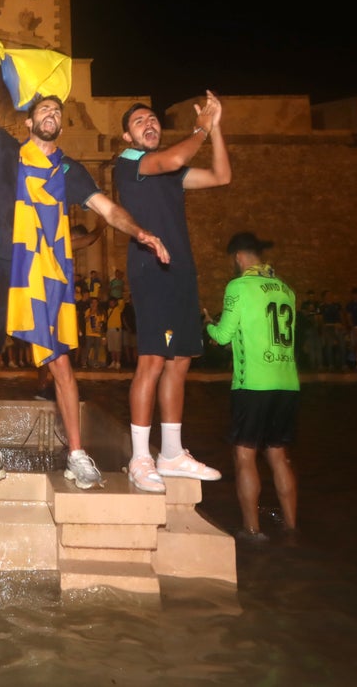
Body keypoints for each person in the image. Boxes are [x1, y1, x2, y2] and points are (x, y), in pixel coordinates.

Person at [0, 86, 169, 488]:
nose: (51, 113)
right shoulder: (7, 150)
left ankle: (76, 454)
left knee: (61, 365)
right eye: (44, 109)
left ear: (61, 123)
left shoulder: (71, 170)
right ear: (29, 121)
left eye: (57, 110)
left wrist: (141, 232)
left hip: (45, 271)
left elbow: (106, 209)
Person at [114, 93, 231, 494]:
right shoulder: (130, 164)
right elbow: (175, 159)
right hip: (151, 269)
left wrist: (215, 130)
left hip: (181, 270)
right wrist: (200, 127)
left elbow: (221, 176)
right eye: (140, 121)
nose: (150, 124)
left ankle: (172, 453)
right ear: (126, 135)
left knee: (180, 359)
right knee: (152, 359)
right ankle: (140, 458)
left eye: (153, 120)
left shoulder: (168, 172)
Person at [204, 232, 299, 544]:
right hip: (287, 383)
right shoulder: (286, 289)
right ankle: (290, 525)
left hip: (253, 384)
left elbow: (223, 336)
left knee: (244, 455)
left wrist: (206, 323)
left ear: (238, 258)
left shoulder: (239, 286)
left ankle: (252, 530)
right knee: (278, 455)